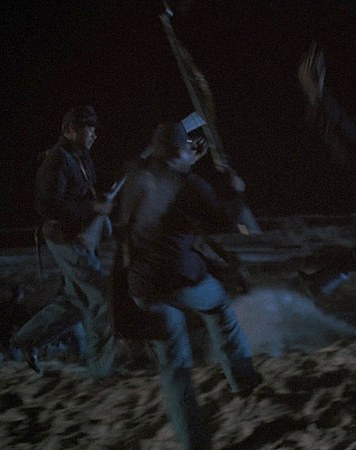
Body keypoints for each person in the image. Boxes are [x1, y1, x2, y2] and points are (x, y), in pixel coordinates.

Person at [115, 121, 261, 449]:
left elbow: (163, 180)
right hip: (178, 279)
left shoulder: (136, 177)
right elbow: (226, 220)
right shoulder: (190, 185)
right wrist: (235, 190)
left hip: (141, 285)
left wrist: (184, 161)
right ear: (180, 150)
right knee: (220, 306)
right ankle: (243, 380)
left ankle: (192, 441)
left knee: (174, 365)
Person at [12, 105, 115, 377]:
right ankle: (101, 369)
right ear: (70, 130)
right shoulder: (56, 161)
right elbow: (48, 206)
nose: (94, 134)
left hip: (79, 238)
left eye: (94, 129)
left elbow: (81, 194)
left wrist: (98, 203)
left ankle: (26, 340)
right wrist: (93, 208)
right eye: (88, 128)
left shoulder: (81, 157)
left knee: (75, 301)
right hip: (65, 239)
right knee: (99, 299)